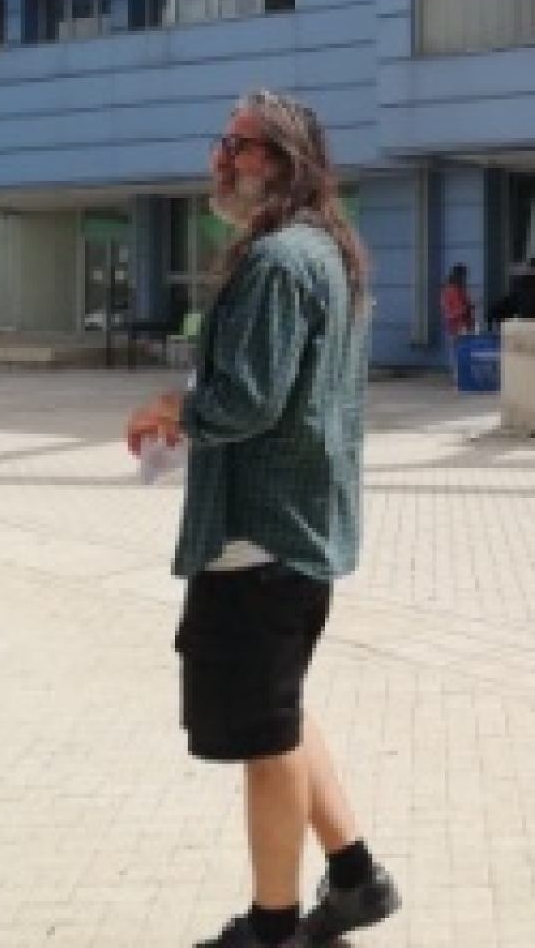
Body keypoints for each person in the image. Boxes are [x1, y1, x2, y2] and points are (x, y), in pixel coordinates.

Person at [125, 90, 401, 948]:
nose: (219, 158)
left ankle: (273, 926)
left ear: (281, 160)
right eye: (222, 142)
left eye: (238, 145)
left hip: (260, 537)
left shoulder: (281, 261)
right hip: (294, 530)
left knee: (263, 735)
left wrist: (174, 409)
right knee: (277, 707)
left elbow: (247, 401)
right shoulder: (324, 249)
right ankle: (354, 877)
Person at [440, 264, 475, 374]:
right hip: (458, 326)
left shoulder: (457, 290)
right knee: (459, 353)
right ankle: (459, 375)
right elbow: (452, 311)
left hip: (461, 326)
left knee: (459, 352)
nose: (465, 278)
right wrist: (466, 308)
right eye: (464, 275)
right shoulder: (453, 291)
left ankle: (459, 374)